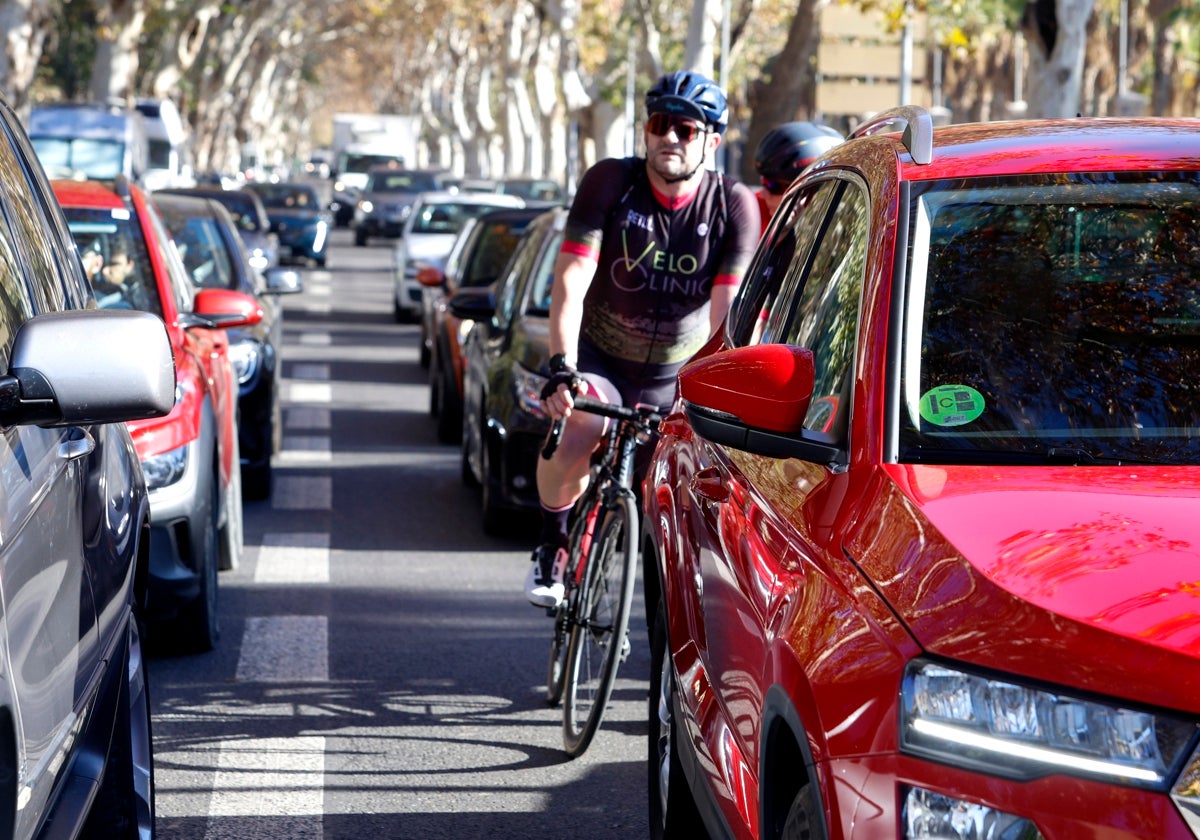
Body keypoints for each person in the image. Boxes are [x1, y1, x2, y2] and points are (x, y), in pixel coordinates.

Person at [525, 70, 762, 608]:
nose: (671, 138)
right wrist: (560, 365)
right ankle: (554, 546)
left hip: (672, 380)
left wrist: (728, 392)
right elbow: (571, 281)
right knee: (580, 423)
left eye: (685, 128)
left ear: (712, 142)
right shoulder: (611, 183)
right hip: (601, 363)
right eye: (660, 124)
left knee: (679, 500)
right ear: (646, 131)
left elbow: (727, 313)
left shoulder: (732, 205)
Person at [753, 121, 843, 231]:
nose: (763, 194)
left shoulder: (837, 226)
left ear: (812, 191)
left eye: (774, 186)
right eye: (765, 182)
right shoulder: (753, 208)